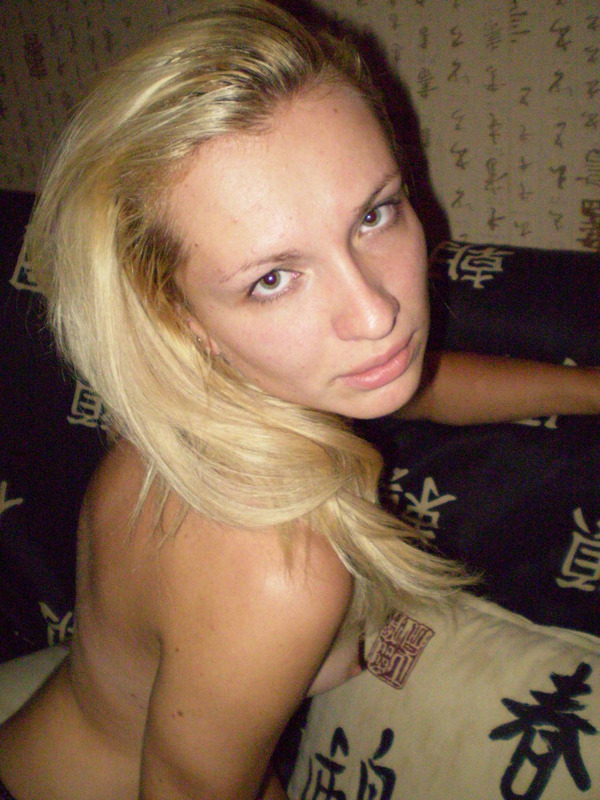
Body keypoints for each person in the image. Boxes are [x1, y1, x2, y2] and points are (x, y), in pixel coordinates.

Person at [0, 2, 597, 799]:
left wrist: (590, 388)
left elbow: (420, 388)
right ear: (176, 315)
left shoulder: (210, 397)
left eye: (374, 215)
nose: (376, 313)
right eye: (273, 278)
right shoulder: (284, 569)